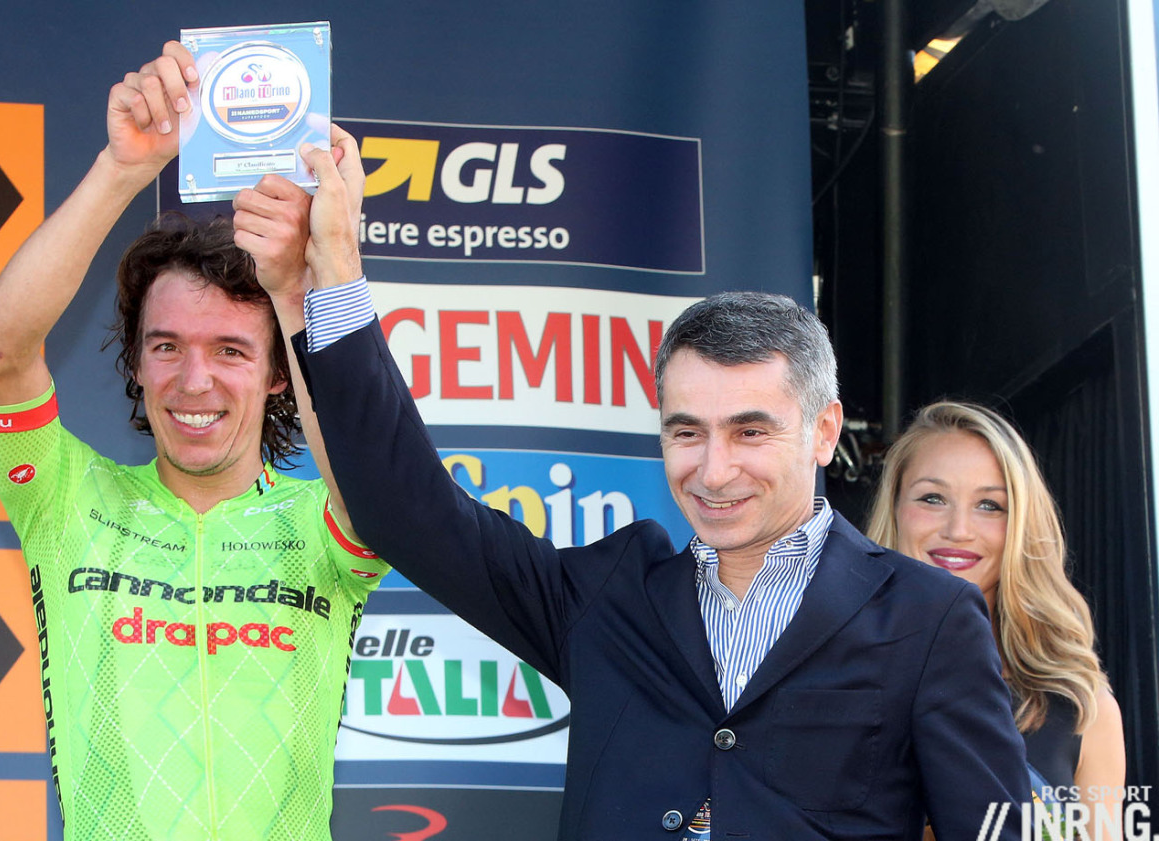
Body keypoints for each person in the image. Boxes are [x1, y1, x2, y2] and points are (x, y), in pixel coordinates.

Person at [271, 128, 1030, 838]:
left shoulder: (928, 619)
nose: (714, 469)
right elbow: (406, 509)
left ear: (824, 431)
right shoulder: (610, 596)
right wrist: (335, 272)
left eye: (750, 431)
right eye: (686, 432)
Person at [0, 43, 385, 839]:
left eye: (230, 350)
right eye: (166, 346)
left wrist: (308, 283)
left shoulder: (325, 521)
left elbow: (375, 476)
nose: (194, 380)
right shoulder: (67, 499)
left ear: (278, 373)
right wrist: (123, 169)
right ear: (135, 361)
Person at [867, 401, 1126, 830]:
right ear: (894, 508)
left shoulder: (1083, 708)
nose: (958, 529)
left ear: (1021, 525)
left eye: (990, 505)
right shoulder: (830, 673)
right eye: (932, 498)